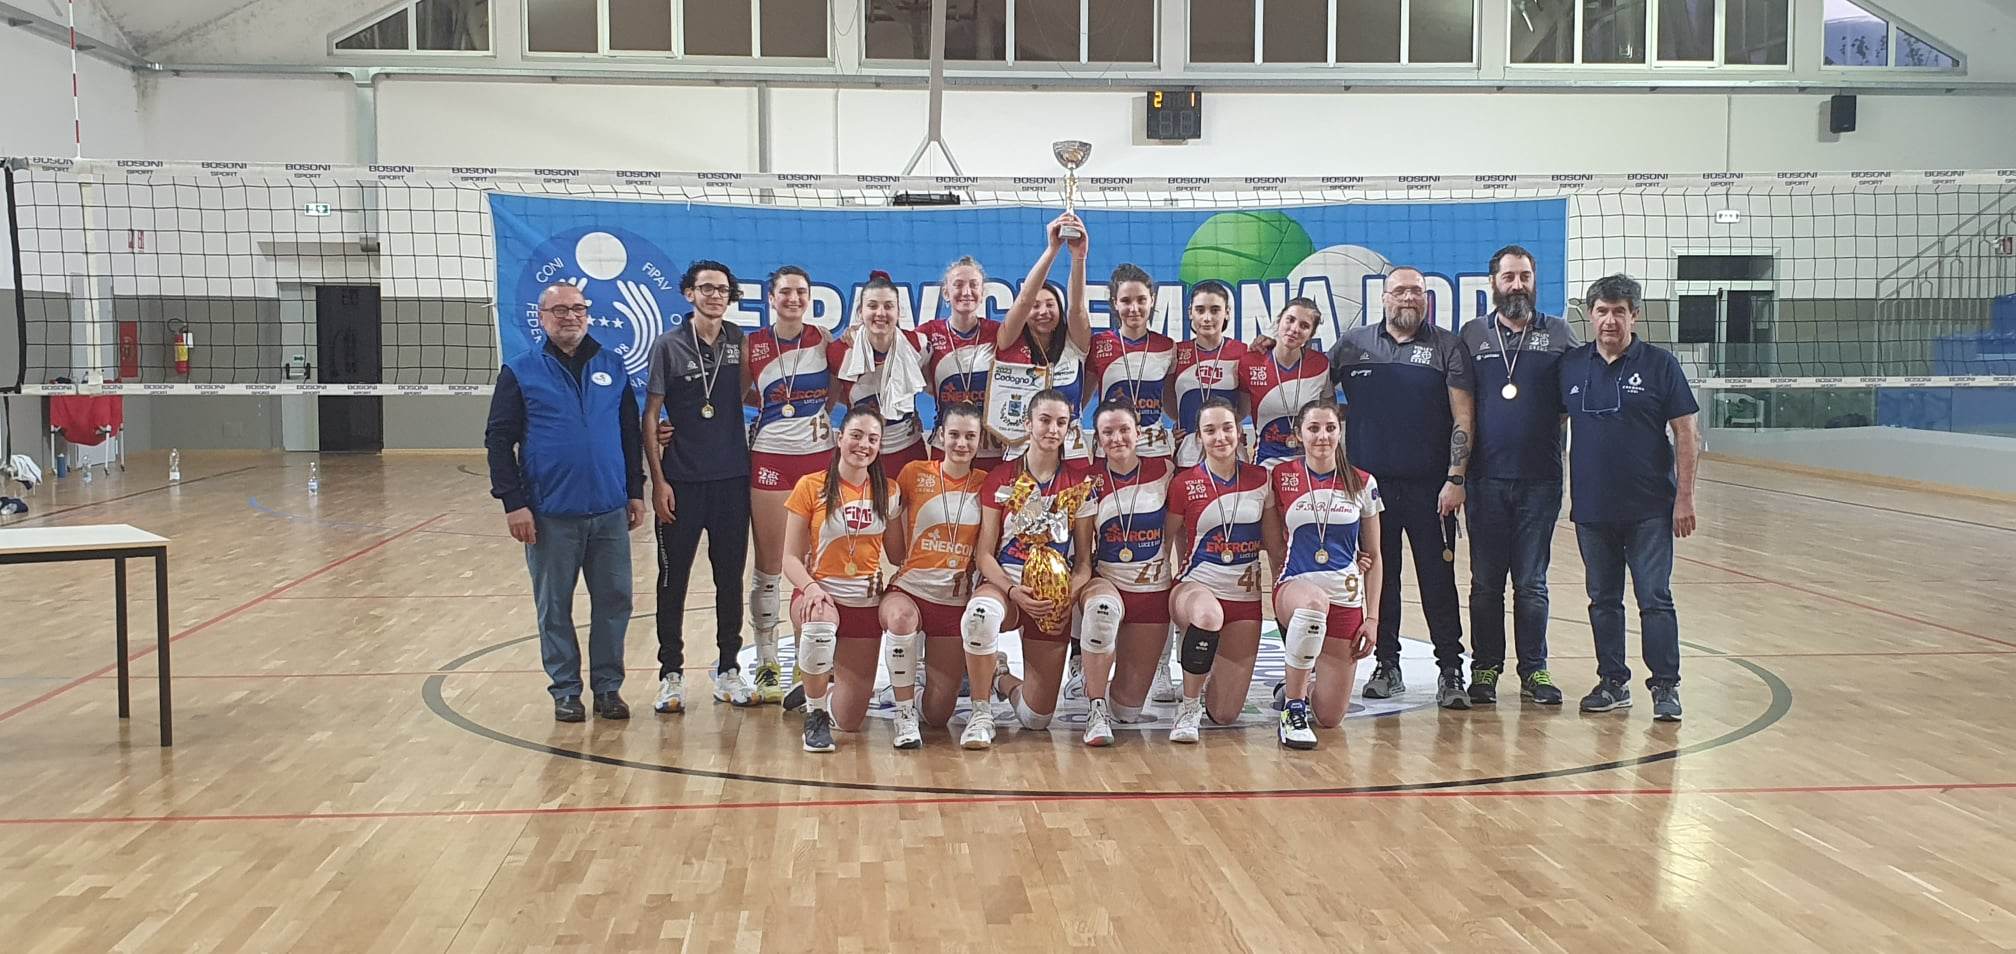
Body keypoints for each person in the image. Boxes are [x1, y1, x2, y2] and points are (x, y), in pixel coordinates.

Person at [485, 282, 647, 722]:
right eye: (559, 310)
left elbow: (628, 434)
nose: (570, 317)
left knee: (615, 602)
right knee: (555, 606)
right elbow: (498, 441)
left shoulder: (612, 366)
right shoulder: (520, 371)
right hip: (549, 514)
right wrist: (513, 503)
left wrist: (635, 491)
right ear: (542, 317)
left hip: (610, 511)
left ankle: (608, 689)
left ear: (588, 314)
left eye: (578, 309)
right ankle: (566, 690)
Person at [1329, 267, 1477, 709]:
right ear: (1384, 297)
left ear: (1426, 298)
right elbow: (1310, 381)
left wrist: (1455, 478)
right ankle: (1387, 665)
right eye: (1399, 291)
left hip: (1432, 490)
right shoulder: (1352, 345)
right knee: (1381, 578)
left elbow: (1463, 416)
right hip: (1369, 493)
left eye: (1416, 291)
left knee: (1438, 581)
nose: (1408, 297)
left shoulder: (1447, 346)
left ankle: (1450, 669)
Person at [1560, 274, 1700, 722]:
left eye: (1619, 311)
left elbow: (1687, 433)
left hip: (1650, 509)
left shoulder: (1660, 365)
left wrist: (1684, 498)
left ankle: (1665, 687)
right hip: (1592, 509)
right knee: (1603, 599)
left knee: (1654, 598)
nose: (1610, 320)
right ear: (1590, 315)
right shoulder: (1571, 366)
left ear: (1634, 316)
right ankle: (1612, 682)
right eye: (1602, 311)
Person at [1458, 245, 1579, 706]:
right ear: (1494, 282)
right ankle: (1485, 668)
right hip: (1485, 479)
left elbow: (1572, 400)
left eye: (1524, 276)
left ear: (1534, 280)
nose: (1517, 285)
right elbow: (1460, 406)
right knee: (1486, 583)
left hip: (1540, 479)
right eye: (1509, 277)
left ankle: (1534, 670)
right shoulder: (1473, 335)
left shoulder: (1560, 333)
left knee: (1531, 583)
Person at [644, 260, 756, 713]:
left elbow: (746, 395)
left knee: (730, 580)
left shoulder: (740, 342)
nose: (714, 296)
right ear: (689, 293)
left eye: (722, 290)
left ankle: (728, 669)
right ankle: (670, 675)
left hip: (731, 480)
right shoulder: (668, 345)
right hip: (682, 483)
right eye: (706, 288)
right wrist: (659, 481)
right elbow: (651, 415)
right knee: (673, 582)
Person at [959, 388, 1100, 749]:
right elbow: (984, 554)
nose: (1053, 429)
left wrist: (1065, 596)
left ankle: (1001, 676)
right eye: (1045, 420)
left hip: (1053, 594)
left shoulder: (1079, 484)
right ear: (1027, 424)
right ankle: (980, 713)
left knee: (1036, 719)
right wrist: (1011, 590)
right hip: (1007, 584)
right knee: (979, 615)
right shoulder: (1001, 478)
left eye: (1061, 422)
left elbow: (1084, 563)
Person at [782, 407, 902, 752]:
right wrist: (810, 588)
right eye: (856, 435)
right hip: (821, 594)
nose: (864, 445)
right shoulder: (811, 486)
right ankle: (815, 715)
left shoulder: (889, 491)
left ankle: (815, 686)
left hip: (864, 600)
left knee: (850, 720)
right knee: (819, 621)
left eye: (873, 439)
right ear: (840, 438)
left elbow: (898, 555)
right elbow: (789, 558)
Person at [1266, 400, 1383, 749]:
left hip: (1345, 598)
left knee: (1331, 717)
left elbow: (1375, 555)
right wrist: (1281, 587)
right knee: (1313, 605)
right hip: (1296, 588)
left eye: (1330, 428)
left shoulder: (1362, 482)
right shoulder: (1280, 477)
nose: (1322, 436)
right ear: (1299, 434)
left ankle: (1299, 684)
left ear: (1339, 432)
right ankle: (1293, 708)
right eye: (1313, 428)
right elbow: (1274, 547)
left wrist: (1372, 618)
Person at [743, 265, 834, 705]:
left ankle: (806, 664)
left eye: (801, 292)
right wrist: (777, 408)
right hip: (771, 460)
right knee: (770, 565)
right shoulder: (753, 345)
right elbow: (740, 394)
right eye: (785, 292)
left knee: (813, 566)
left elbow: (837, 392)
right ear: (771, 298)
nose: (793, 299)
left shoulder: (825, 340)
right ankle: (766, 662)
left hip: (819, 460)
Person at [880, 402, 991, 747]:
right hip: (910, 590)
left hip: (953, 603)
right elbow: (894, 551)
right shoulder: (913, 473)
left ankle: (914, 686)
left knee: (939, 715)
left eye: (970, 436)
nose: (961, 443)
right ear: (940, 435)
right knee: (901, 620)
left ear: (980, 440)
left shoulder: (986, 485)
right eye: (954, 434)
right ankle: (903, 713)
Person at [1164, 398, 1270, 743]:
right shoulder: (1184, 483)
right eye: (1210, 430)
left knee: (1224, 714)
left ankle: (1205, 669)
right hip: (1197, 587)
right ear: (1199, 437)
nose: (1220, 437)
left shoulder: (1261, 479)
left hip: (1244, 598)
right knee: (1208, 617)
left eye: (1227, 428)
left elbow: (1276, 545)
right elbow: (1162, 542)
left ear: (1240, 432)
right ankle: (1189, 706)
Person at [1083, 399, 1176, 733]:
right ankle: (1095, 706)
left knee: (1128, 711)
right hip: (1106, 580)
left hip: (1152, 590)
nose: (1117, 438)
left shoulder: (1165, 470)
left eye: (1124, 430)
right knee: (1102, 610)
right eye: (1107, 432)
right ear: (1097, 438)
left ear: (1139, 432)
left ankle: (1101, 682)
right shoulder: (1089, 479)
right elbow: (1082, 549)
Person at [992, 214, 1094, 461]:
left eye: (1050, 304)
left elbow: (1077, 308)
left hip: (1071, 456)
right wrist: (1052, 250)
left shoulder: (1074, 344)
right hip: (1022, 454)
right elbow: (1024, 299)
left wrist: (1078, 257)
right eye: (1035, 306)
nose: (1043, 311)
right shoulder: (1009, 342)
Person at [831, 273, 929, 473]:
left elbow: (929, 385)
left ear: (899, 311)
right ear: (860, 312)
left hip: (909, 451)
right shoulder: (838, 352)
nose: (880, 313)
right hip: (862, 454)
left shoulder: (918, 344)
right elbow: (830, 399)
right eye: (872, 306)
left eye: (888, 306)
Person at [919, 256, 1003, 467]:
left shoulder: (998, 333)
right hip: (946, 448)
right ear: (946, 293)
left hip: (991, 451)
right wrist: (858, 332)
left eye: (974, 285)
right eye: (958, 285)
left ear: (983, 292)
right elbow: (892, 346)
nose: (966, 292)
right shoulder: (928, 332)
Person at [1088, 265, 1176, 460]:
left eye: (1141, 300)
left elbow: (1172, 408)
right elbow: (1080, 402)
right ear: (1115, 303)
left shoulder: (1167, 347)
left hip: (1154, 451)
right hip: (1111, 449)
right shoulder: (1099, 344)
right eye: (1126, 301)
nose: (1134, 308)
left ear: (1152, 300)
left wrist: (1185, 429)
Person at [1240, 299, 1331, 468]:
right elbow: (1238, 412)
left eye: (1304, 326)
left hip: (1310, 465)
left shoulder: (1320, 364)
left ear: (1311, 335)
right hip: (1266, 464)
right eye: (1290, 320)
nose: (1295, 329)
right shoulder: (1250, 362)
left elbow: (1329, 414)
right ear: (1279, 320)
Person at [1170, 280, 1247, 469]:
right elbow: (1168, 398)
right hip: (1188, 452)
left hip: (1230, 449)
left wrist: (1231, 426)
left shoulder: (1242, 352)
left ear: (1227, 312)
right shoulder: (1176, 352)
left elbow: (1245, 405)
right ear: (1190, 312)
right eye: (1200, 310)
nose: (1207, 318)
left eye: (1214, 310)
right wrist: (1180, 422)